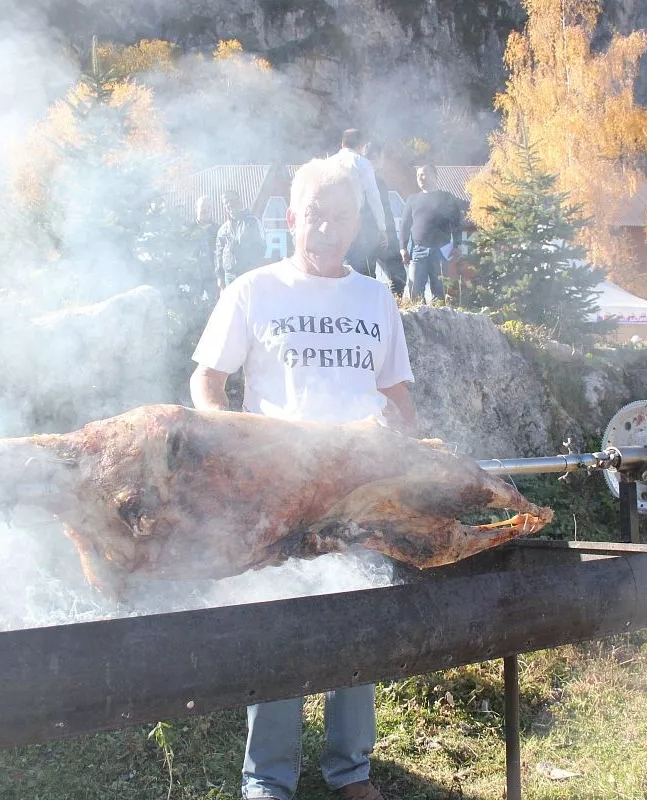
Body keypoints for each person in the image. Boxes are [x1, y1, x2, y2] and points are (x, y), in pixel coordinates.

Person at [190, 156, 416, 800]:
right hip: (278, 492)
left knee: (356, 622)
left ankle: (351, 771)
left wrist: (406, 452)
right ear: (292, 218)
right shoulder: (254, 290)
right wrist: (231, 444)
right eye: (315, 215)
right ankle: (268, 779)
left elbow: (397, 396)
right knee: (278, 628)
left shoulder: (376, 298)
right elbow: (207, 379)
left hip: (358, 490)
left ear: (356, 225)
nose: (326, 229)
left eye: (340, 217)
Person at [398, 164, 462, 303]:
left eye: (423, 174)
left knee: (439, 295)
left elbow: (457, 223)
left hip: (441, 251)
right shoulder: (412, 200)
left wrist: (457, 245)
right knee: (415, 293)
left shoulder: (447, 198)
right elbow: (405, 226)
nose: (420, 178)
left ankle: (438, 316)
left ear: (434, 176)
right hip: (418, 251)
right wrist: (403, 248)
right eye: (418, 175)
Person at [332, 129, 389, 278]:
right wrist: (382, 227)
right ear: (360, 145)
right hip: (355, 222)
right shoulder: (361, 163)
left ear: (342, 143)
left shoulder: (328, 163)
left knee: (336, 265)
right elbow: (373, 195)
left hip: (331, 222)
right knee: (360, 268)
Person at [367, 142, 405, 296]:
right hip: (381, 236)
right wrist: (388, 233)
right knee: (398, 277)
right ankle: (393, 304)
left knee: (367, 276)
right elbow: (385, 211)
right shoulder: (375, 181)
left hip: (362, 239)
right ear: (376, 156)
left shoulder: (355, 178)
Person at [215, 189, 265, 291]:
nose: (229, 204)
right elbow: (218, 255)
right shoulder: (223, 230)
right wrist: (220, 277)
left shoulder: (253, 222)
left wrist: (251, 265)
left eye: (231, 200)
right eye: (226, 202)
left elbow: (262, 247)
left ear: (239, 201)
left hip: (248, 274)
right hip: (229, 277)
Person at [194, 195, 220, 300]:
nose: (206, 209)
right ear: (196, 208)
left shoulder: (219, 230)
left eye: (209, 207)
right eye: (203, 206)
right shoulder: (188, 230)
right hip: (193, 278)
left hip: (212, 279)